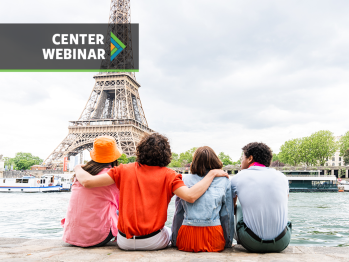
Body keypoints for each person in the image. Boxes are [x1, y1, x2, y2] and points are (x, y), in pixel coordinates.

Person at [74, 133, 228, 251]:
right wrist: (212, 174)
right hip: (152, 241)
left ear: (140, 150)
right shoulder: (169, 175)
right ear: (166, 153)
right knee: (168, 230)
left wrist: (77, 168)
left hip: (124, 242)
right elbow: (191, 196)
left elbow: (87, 182)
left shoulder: (122, 170)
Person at [231, 142, 291, 253]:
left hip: (251, 242)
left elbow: (229, 209)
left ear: (250, 158)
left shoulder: (237, 178)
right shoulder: (282, 177)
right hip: (282, 241)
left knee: (239, 205)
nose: (240, 163)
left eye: (242, 158)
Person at [62, 136, 121, 247]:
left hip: (71, 235)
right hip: (97, 237)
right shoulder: (111, 175)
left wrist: (78, 167)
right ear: (114, 156)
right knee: (121, 211)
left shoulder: (81, 173)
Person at [171, 146, 234, 252]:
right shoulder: (225, 181)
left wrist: (174, 240)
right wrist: (228, 241)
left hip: (187, 238)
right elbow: (227, 215)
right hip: (214, 238)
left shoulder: (184, 180)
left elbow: (178, 213)